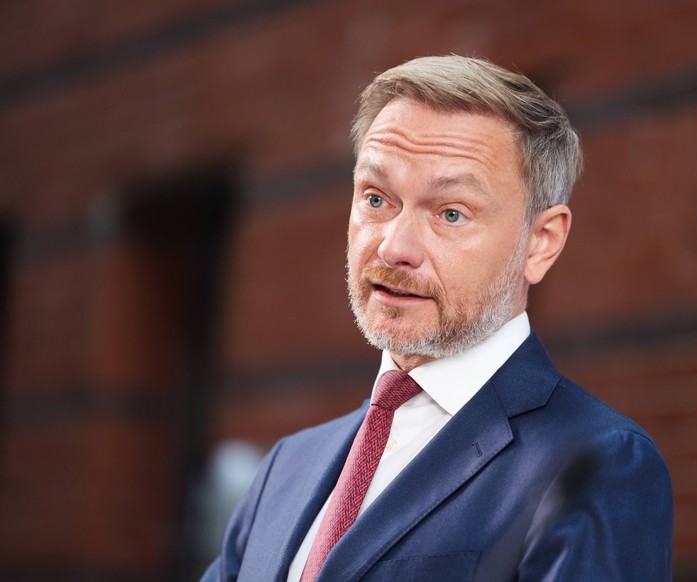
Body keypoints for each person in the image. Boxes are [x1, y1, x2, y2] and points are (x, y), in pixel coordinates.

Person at [202, 55, 673, 581]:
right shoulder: (285, 470)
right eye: (377, 199)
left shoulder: (597, 465)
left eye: (451, 212)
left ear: (541, 243)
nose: (394, 247)